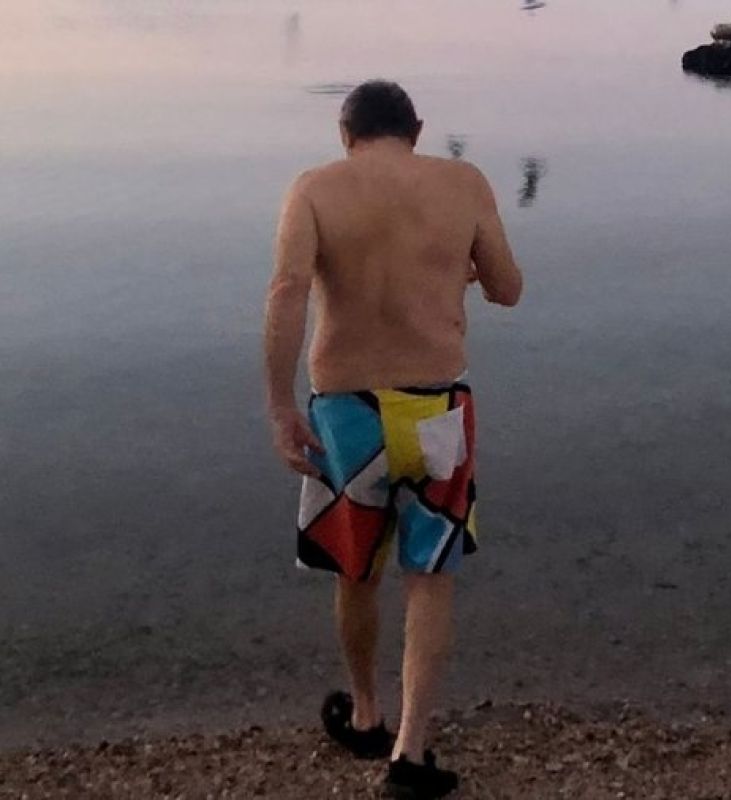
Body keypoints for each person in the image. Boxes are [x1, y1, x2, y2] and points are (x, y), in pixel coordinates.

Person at [264, 79, 523, 799]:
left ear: (345, 134)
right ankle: (410, 752)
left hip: (346, 413)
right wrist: (458, 270)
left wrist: (279, 407)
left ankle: (367, 712)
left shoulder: (315, 189)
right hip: (434, 408)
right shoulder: (463, 183)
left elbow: (286, 292)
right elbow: (508, 288)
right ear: (418, 129)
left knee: (356, 570)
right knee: (430, 576)